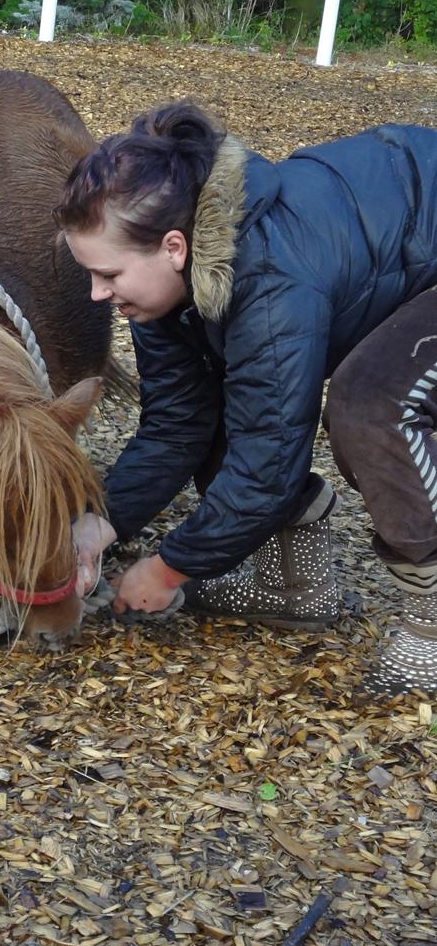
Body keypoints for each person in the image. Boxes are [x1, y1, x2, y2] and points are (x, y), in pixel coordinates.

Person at [54, 102, 437, 696]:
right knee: (231, 395)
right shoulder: (161, 290)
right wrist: (99, 525)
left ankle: (433, 620)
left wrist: (168, 567)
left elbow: (269, 464)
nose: (97, 294)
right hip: (394, 250)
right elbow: (179, 426)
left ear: (175, 248)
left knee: (372, 404)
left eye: (108, 274)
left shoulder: (268, 282)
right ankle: (296, 584)